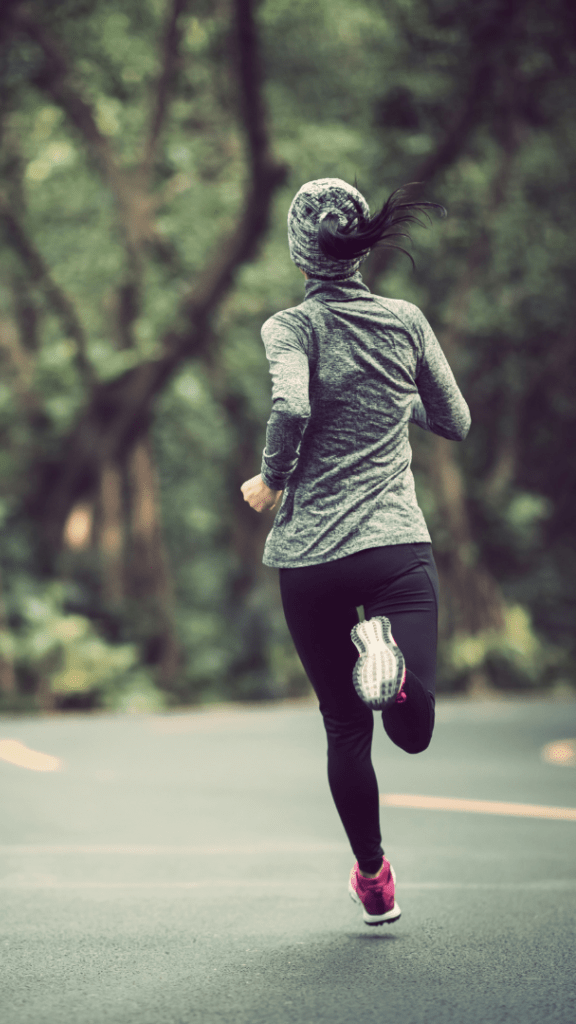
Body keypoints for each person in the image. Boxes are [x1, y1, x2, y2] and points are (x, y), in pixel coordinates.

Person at [240, 178, 471, 926]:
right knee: (412, 729)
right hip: (394, 548)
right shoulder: (404, 321)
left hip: (312, 561)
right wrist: (388, 400)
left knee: (345, 726)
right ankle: (394, 676)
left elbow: (294, 403)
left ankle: (373, 878)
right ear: (359, 244)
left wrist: (272, 479)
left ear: (299, 252)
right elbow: (454, 420)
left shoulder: (290, 327)